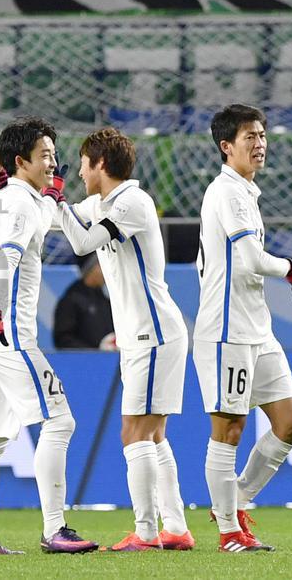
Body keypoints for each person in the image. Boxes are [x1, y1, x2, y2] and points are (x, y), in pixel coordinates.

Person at [52, 127, 193, 551]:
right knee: (154, 434)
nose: (79, 172)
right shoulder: (100, 203)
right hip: (144, 334)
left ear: (100, 164)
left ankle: (146, 533)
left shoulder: (132, 202)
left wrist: (56, 198)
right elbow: (60, 218)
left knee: (133, 432)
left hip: (153, 333)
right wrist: (28, 193)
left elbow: (82, 241)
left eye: (83, 164)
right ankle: (176, 528)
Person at [0, 117, 98, 555]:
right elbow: (4, 258)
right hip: (8, 333)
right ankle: (55, 529)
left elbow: (42, 211)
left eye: (55, 155)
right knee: (60, 421)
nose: (53, 163)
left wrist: (42, 188)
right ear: (22, 161)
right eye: (45, 156)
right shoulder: (17, 202)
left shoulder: (21, 197)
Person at [194, 104, 292, 553]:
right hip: (227, 331)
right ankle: (228, 532)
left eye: (261, 135)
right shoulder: (227, 192)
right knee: (229, 429)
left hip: (258, 328)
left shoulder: (245, 192)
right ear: (226, 146)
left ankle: (235, 499)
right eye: (249, 138)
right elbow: (252, 259)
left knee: (291, 424)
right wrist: (289, 268)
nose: (259, 144)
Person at [52, 252, 115, 350]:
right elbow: (63, 339)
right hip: (83, 359)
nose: (106, 271)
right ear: (91, 269)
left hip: (110, 358)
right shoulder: (71, 300)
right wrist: (95, 352)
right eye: (101, 265)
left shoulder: (105, 300)